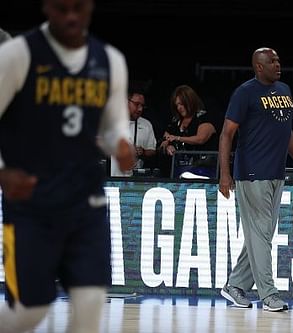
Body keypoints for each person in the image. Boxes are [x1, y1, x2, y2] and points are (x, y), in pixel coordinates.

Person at [0, 1, 135, 332]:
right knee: (28, 313)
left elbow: (113, 126)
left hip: (85, 200)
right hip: (32, 202)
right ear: (46, 8)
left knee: (90, 305)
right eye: (62, 9)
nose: (72, 16)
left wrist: (120, 145)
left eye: (79, 8)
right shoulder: (18, 55)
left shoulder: (109, 61)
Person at [218, 47, 293, 312]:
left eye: (278, 60)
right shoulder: (245, 93)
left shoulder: (284, 90)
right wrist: (225, 174)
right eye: (271, 61)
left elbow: (286, 130)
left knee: (261, 235)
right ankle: (268, 294)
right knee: (261, 234)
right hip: (251, 174)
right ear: (259, 67)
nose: (277, 64)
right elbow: (226, 134)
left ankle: (235, 285)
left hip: (276, 172)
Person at [157, 84, 217, 178]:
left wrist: (177, 138)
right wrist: (168, 145)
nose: (179, 108)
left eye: (181, 104)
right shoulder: (175, 121)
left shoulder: (204, 117)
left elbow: (200, 139)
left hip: (203, 168)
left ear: (190, 101)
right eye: (177, 105)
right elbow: (166, 137)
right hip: (178, 169)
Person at [110, 85, 157, 177]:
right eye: (136, 104)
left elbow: (152, 150)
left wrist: (143, 151)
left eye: (142, 106)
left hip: (135, 180)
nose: (140, 109)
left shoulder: (146, 124)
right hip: (112, 178)